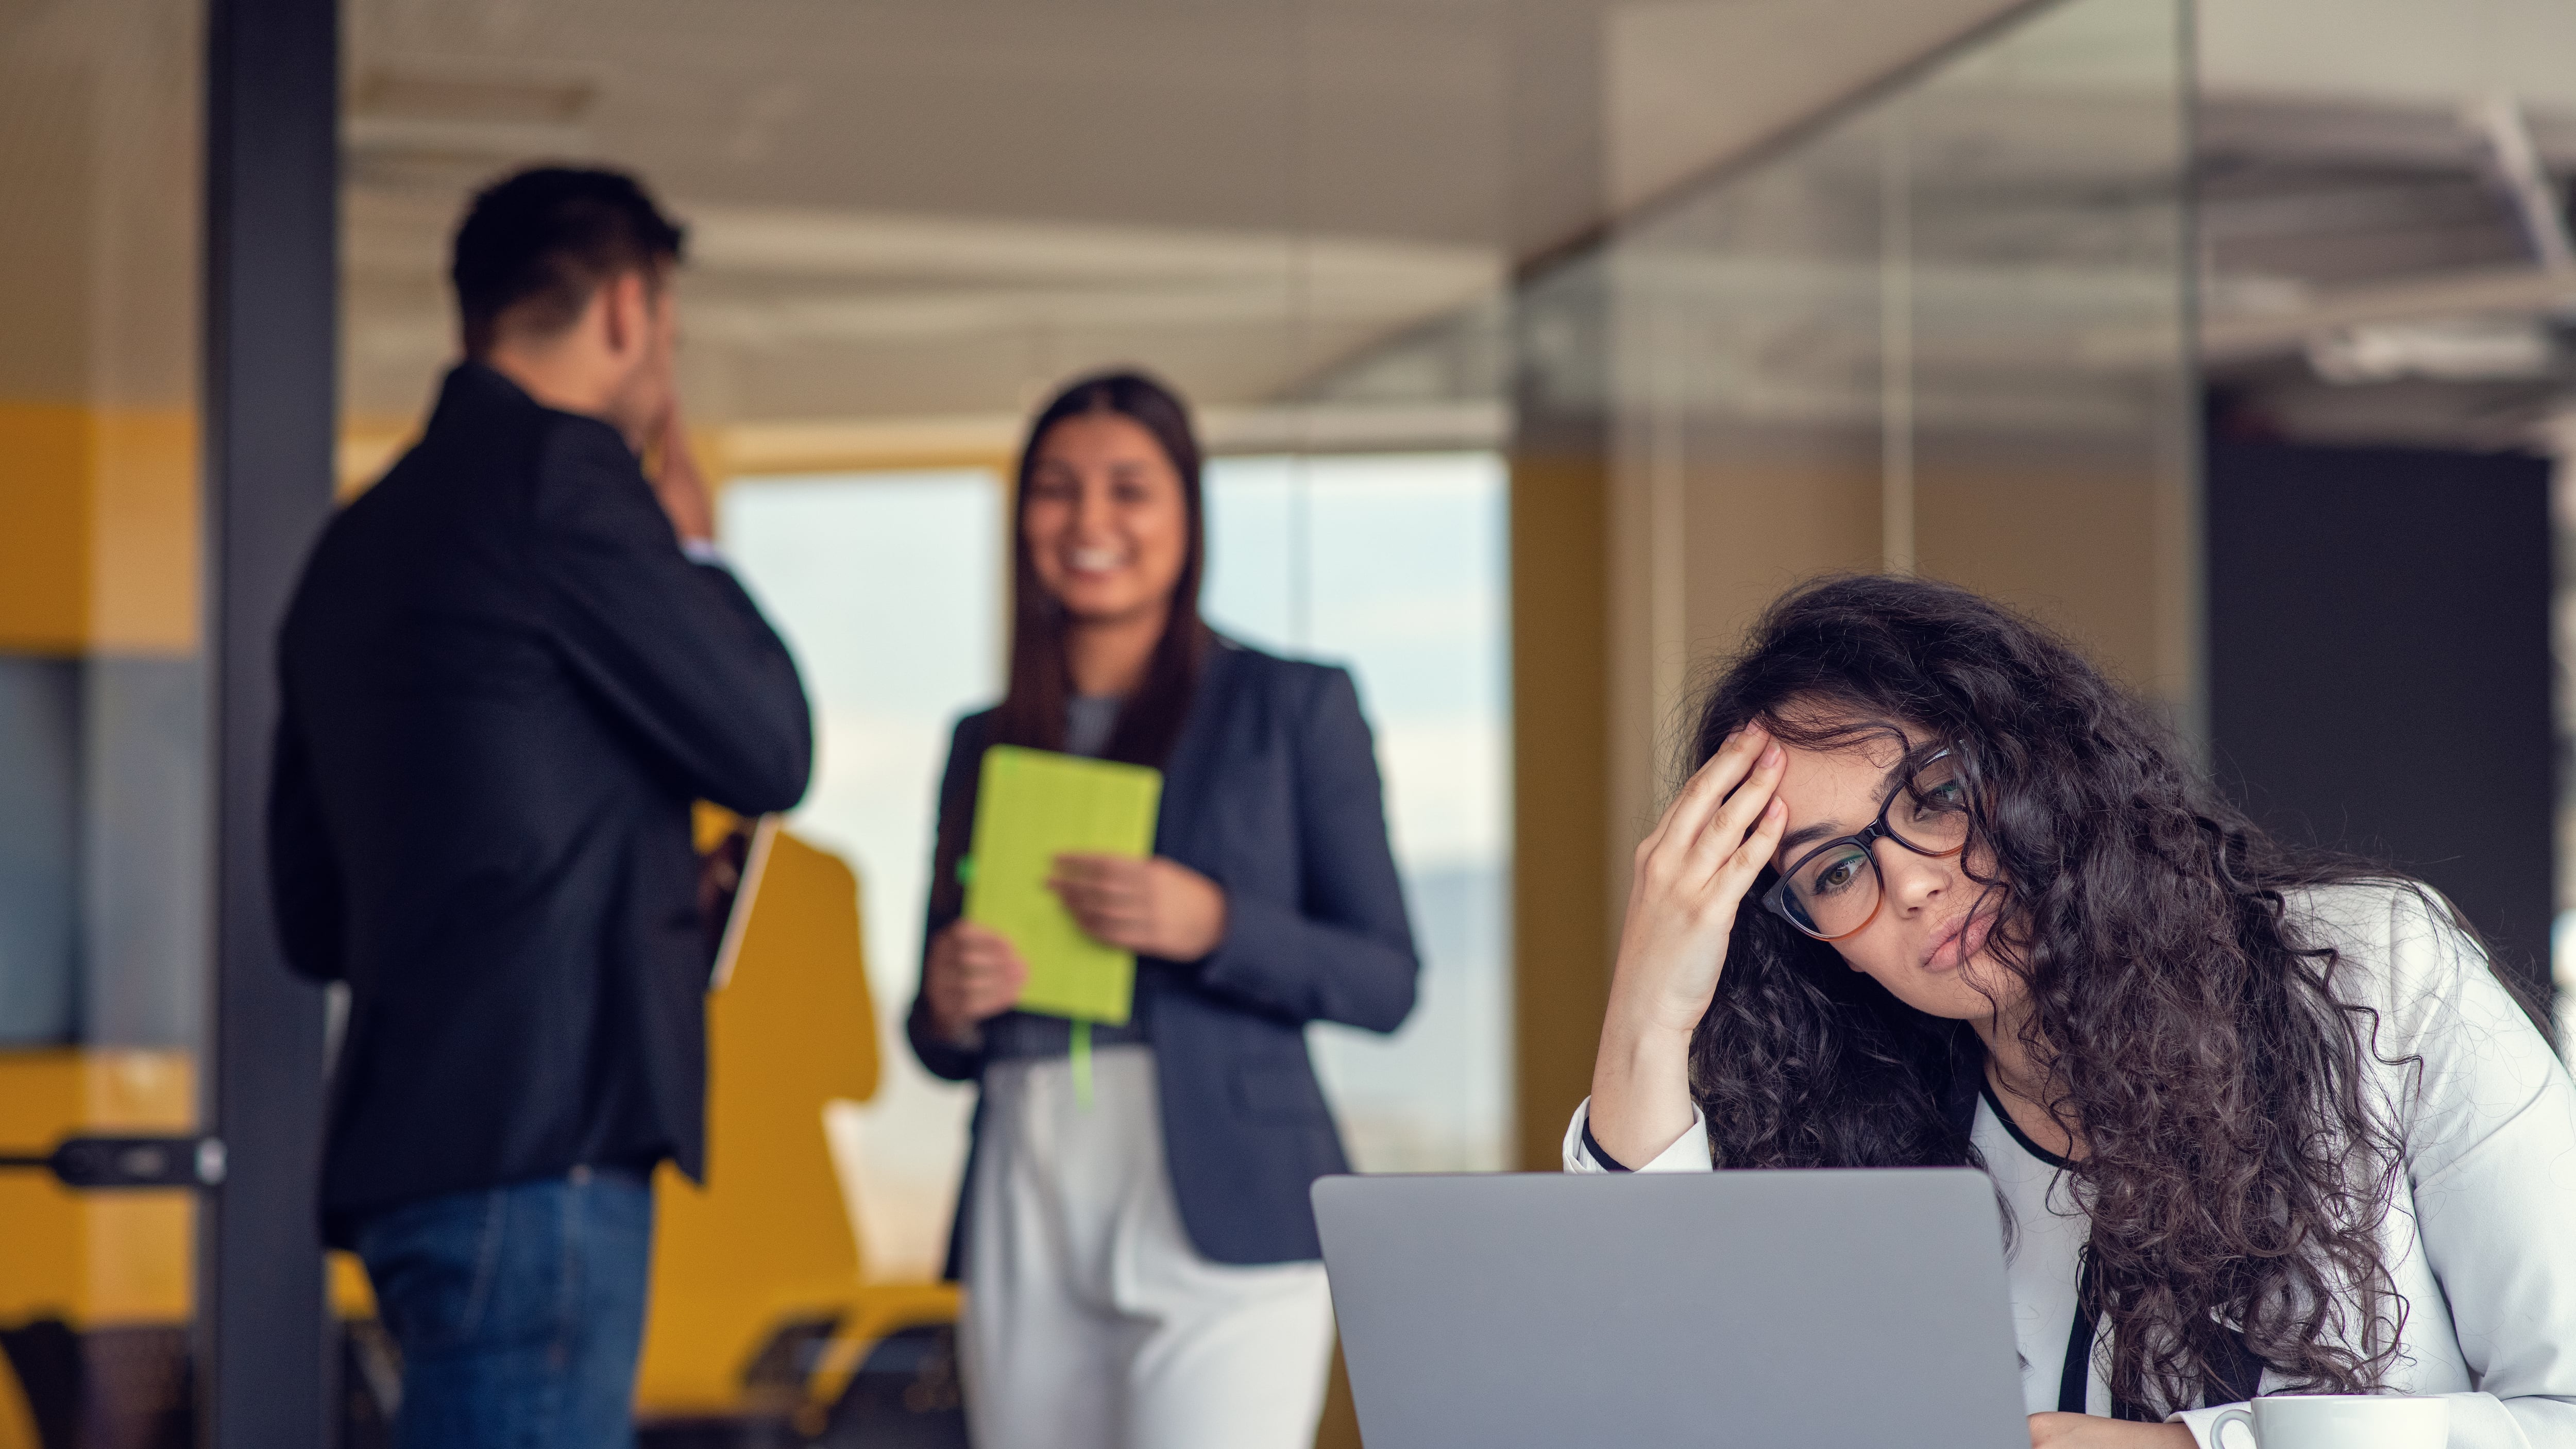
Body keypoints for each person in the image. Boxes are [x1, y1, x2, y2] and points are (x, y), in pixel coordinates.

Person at [1572, 575, 2576, 1449]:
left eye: (1934, 793)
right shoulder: (1863, 1130)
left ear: (2036, 754)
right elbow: (1663, 1399)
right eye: (1835, 869)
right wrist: (1648, 1017)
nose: (1914, 882)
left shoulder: (2369, 975)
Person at [268, 166, 812, 1448]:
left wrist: (607, 881)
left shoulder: (357, 540)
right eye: (666, 329)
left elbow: (310, 917)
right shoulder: (565, 480)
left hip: (416, 1158)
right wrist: (693, 545)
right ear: (627, 308)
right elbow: (768, 745)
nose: (662, 356)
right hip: (542, 1148)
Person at [907, 370, 1418, 1449]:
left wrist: (1215, 924)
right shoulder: (983, 738)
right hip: (1025, 1180)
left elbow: (1386, 977)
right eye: (1056, 489)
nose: (1090, 521)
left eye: (1128, 489)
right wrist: (948, 1001)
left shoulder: (1293, 703)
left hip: (1223, 1188)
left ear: (1187, 514)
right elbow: (934, 1032)